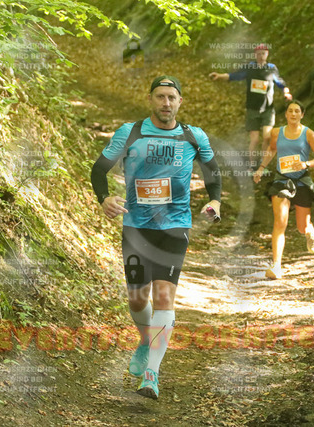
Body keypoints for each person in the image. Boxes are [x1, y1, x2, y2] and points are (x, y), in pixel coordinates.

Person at [91, 76, 222, 399]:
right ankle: (145, 339)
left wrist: (215, 200)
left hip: (175, 228)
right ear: (150, 99)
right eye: (161, 96)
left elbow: (213, 172)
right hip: (136, 227)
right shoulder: (131, 132)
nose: (166, 103)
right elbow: (99, 169)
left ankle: (152, 373)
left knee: (164, 297)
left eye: (172, 97)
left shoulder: (193, 136)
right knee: (137, 299)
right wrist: (104, 198)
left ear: (180, 102)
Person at [253, 101, 314, 279]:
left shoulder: (308, 134)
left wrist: (306, 164)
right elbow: (271, 150)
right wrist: (261, 168)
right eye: (290, 111)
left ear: (302, 115)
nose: (293, 114)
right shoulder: (276, 132)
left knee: (302, 227)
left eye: (297, 111)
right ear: (286, 114)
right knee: (280, 222)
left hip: (301, 181)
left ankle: (309, 232)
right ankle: (276, 265)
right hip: (281, 180)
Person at [209, 43, 292, 170]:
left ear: (267, 54)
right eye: (259, 54)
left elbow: (280, 83)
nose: (261, 56)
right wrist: (219, 76)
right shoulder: (250, 67)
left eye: (263, 53)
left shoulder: (271, 68)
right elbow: (234, 76)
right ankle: (252, 166)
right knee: (255, 140)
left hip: (268, 109)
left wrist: (286, 92)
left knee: (267, 137)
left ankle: (263, 166)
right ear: (255, 55)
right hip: (252, 108)